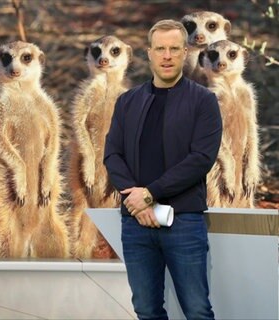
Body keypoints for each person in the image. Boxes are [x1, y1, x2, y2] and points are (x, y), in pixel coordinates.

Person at [104, 19, 221, 320]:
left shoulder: (204, 101)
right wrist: (137, 201)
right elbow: (112, 155)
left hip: (183, 221)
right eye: (160, 49)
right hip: (136, 224)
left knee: (197, 310)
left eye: (173, 49)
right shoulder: (128, 102)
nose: (166, 56)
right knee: (146, 309)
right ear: (149, 53)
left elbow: (200, 159)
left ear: (184, 52)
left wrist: (150, 193)